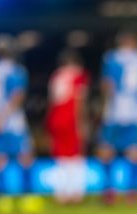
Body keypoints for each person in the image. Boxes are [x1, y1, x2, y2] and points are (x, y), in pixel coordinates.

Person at [0, 34, 43, 214]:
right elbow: (17, 96)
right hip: (12, 122)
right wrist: (2, 117)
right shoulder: (16, 70)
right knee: (26, 156)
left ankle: (2, 199)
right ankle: (28, 197)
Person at [98, 29, 137, 205]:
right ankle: (132, 193)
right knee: (135, 152)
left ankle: (109, 191)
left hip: (115, 111)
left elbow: (106, 85)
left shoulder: (112, 57)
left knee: (106, 150)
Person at [47, 50, 90, 205]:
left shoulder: (56, 76)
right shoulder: (79, 75)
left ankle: (61, 194)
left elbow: (52, 101)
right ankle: (76, 193)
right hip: (70, 119)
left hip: (56, 119)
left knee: (61, 157)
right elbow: (79, 101)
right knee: (76, 156)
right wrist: (81, 123)